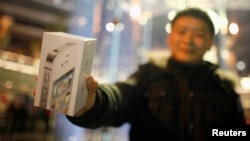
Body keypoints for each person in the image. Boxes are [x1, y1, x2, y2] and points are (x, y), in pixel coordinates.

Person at [66, 8, 246, 141]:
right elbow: (122, 97)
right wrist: (93, 102)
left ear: (210, 43)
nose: (188, 40)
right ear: (170, 37)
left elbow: (236, 131)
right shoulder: (148, 75)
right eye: (181, 32)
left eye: (199, 34)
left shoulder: (225, 89)